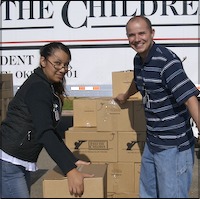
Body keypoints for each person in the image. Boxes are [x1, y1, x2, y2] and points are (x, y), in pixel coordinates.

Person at [114, 16, 200, 198]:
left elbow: (190, 99)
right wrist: (125, 96)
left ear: (152, 33)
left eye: (142, 33)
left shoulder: (167, 62)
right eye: (131, 35)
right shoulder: (139, 60)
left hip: (174, 147)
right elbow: (138, 81)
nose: (137, 39)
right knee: (148, 193)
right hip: (153, 142)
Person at [0, 42, 94, 198]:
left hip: (19, 159)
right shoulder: (38, 87)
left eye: (66, 65)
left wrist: (71, 160)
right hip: (10, 161)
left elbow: (49, 129)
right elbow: (44, 132)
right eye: (57, 63)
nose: (62, 69)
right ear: (43, 61)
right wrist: (69, 170)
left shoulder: (48, 86)